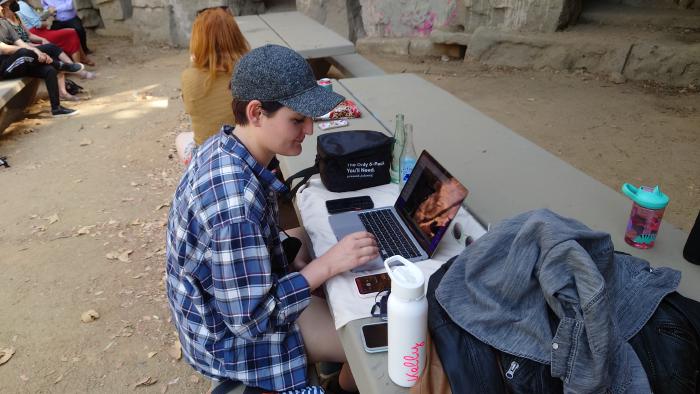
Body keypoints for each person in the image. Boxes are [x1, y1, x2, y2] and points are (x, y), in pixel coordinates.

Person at [166, 45, 377, 393]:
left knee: (314, 237)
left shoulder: (225, 144)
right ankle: (338, 383)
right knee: (371, 343)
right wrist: (323, 267)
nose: (309, 130)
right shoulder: (235, 206)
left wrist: (294, 252)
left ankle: (326, 357)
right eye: (297, 119)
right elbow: (252, 320)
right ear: (257, 112)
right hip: (229, 341)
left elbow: (249, 240)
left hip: (221, 306)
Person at [176, 6, 249, 165]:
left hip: (207, 158)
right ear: (236, 37)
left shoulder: (189, 77)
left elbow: (190, 109)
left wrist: (195, 63)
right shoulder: (249, 72)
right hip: (247, 154)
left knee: (181, 138)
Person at [0, 2, 82, 116]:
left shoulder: (4, 23)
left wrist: (38, 51)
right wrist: (34, 51)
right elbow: (4, 49)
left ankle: (56, 109)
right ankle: (60, 65)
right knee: (24, 53)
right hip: (4, 68)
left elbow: (21, 43)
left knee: (49, 70)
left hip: (20, 61)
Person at [15, 0, 94, 65]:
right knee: (71, 33)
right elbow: (38, 23)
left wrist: (53, 10)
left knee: (75, 30)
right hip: (38, 32)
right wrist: (47, 18)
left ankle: (81, 60)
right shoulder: (22, 5)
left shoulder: (20, 5)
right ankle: (78, 64)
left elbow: (69, 6)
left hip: (69, 19)